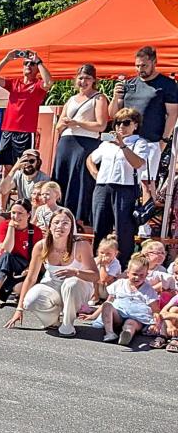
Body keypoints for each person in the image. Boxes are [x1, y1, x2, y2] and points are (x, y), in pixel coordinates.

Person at [5, 208, 98, 336]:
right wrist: (19, 309)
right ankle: (53, 321)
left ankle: (67, 323)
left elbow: (95, 276)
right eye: (56, 222)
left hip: (78, 288)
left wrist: (76, 272)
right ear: (50, 226)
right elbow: (31, 278)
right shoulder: (41, 246)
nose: (60, 226)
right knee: (31, 300)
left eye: (65, 223)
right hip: (53, 287)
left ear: (71, 227)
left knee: (71, 284)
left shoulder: (81, 245)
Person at [87, 108, 150, 269]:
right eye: (118, 123)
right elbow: (91, 159)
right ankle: (98, 265)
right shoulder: (107, 143)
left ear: (135, 125)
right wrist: (96, 174)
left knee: (124, 230)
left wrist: (122, 145)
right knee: (100, 227)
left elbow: (138, 163)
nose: (121, 126)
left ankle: (123, 267)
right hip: (103, 187)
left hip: (125, 188)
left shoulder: (140, 143)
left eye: (126, 122)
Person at [51, 64, 108, 226]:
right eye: (81, 78)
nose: (83, 82)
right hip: (66, 143)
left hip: (85, 142)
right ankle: (59, 214)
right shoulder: (71, 99)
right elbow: (59, 124)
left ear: (94, 80)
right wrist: (63, 124)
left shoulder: (99, 98)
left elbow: (101, 125)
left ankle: (80, 218)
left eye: (87, 78)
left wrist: (77, 122)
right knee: (62, 177)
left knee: (80, 179)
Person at [0, 49, 53, 175]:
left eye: (31, 64)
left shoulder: (38, 85)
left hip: (26, 131)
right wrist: (6, 59)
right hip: (8, 130)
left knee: (26, 166)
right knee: (7, 166)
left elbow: (49, 82)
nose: (28, 66)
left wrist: (38, 62)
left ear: (37, 69)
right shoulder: (14, 83)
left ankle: (24, 192)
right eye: (26, 63)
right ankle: (6, 194)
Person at [110, 46, 178, 154]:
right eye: (137, 66)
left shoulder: (167, 84)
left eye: (144, 65)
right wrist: (115, 98)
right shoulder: (129, 83)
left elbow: (173, 114)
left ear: (154, 63)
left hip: (150, 142)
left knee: (146, 171)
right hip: (126, 141)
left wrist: (164, 140)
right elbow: (114, 115)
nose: (140, 69)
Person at [88, 254, 159, 345]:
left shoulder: (148, 289)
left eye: (141, 275)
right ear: (127, 272)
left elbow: (155, 310)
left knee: (130, 323)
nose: (137, 277)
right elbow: (108, 301)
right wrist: (93, 316)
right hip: (119, 314)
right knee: (107, 305)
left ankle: (127, 334)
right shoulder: (120, 284)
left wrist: (156, 323)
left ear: (146, 275)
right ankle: (109, 333)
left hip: (137, 317)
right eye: (134, 274)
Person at [0, 199, 42, 308]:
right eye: (13, 213)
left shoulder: (35, 231)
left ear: (28, 215)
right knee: (6, 256)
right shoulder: (5, 226)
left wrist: (30, 269)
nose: (16, 216)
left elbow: (39, 255)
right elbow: (7, 248)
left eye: (20, 213)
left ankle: (19, 293)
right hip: (8, 263)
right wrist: (11, 228)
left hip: (25, 265)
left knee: (20, 288)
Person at [91, 235, 122, 305]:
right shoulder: (96, 260)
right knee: (92, 274)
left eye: (108, 254)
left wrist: (102, 265)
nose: (104, 255)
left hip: (108, 289)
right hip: (97, 288)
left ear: (115, 253)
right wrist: (97, 263)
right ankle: (95, 296)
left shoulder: (115, 264)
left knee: (110, 279)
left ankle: (109, 299)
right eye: (101, 253)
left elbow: (104, 279)